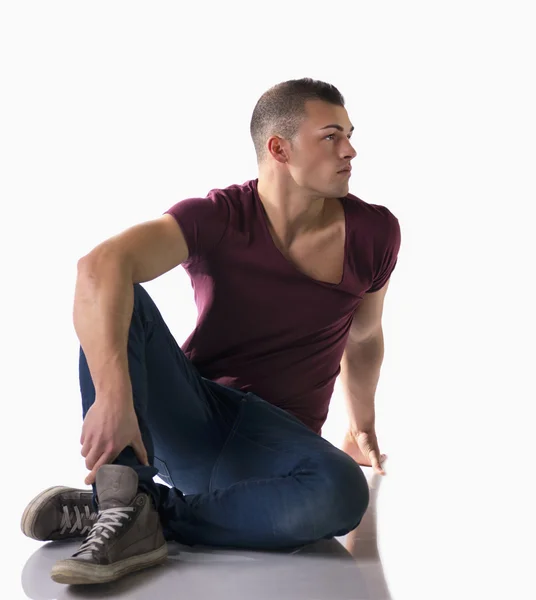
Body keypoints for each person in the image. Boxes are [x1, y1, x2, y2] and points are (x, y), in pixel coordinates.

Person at [20, 78, 401, 586]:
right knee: (117, 292)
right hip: (196, 418)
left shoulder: (375, 232)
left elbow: (364, 335)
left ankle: (144, 510)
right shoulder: (218, 218)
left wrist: (361, 426)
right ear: (279, 148)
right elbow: (98, 266)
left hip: (276, 446)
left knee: (341, 491)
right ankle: (124, 493)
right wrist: (113, 398)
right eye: (331, 136)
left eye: (350, 134)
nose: (350, 150)